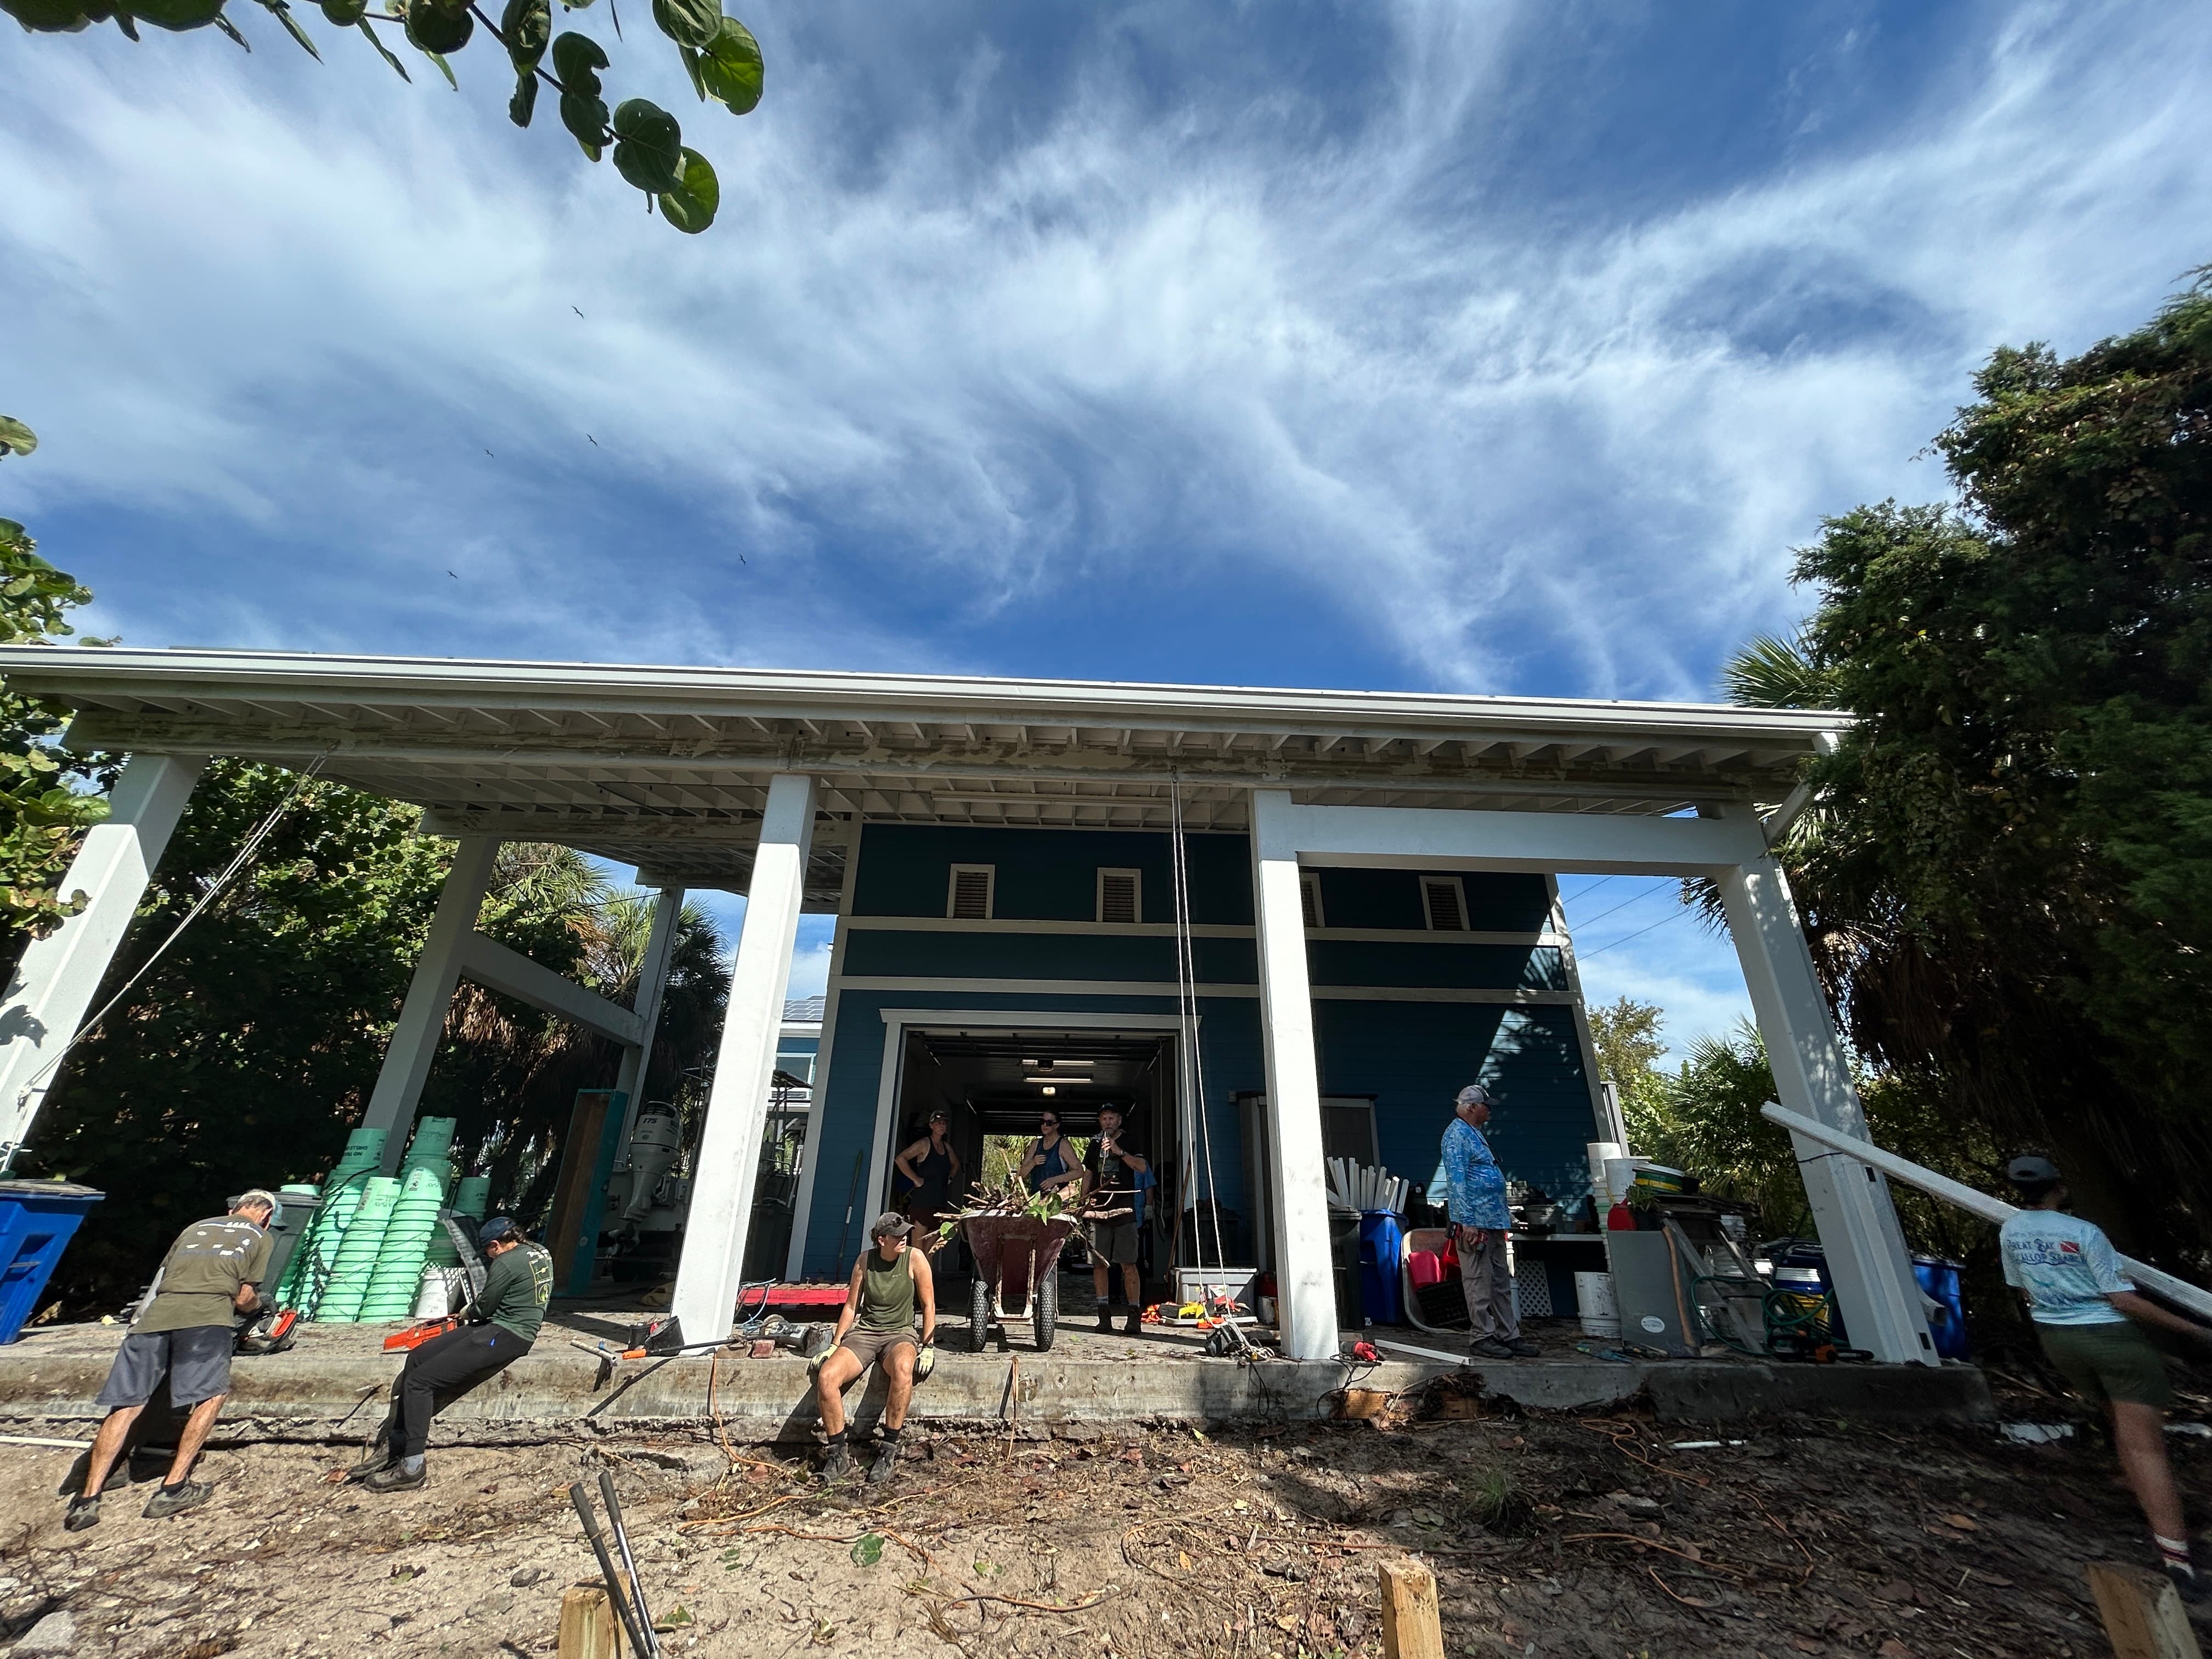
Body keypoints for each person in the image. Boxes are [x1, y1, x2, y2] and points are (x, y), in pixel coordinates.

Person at [2000, 1154, 2212, 1596]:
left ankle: (2146, 1505)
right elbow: (2124, 1300)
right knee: (2146, 1448)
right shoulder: (2084, 1233)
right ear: (2058, 1187)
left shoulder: (2012, 1230)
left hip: (2058, 1341)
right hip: (2112, 1341)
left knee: (2121, 1427)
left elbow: (2022, 1288)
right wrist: (2195, 1329)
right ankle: (2179, 1562)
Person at [65, 1189, 279, 1531]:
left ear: (231, 1209)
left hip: (153, 1321)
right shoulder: (260, 1237)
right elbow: (243, 1296)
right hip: (205, 1321)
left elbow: (160, 1281)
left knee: (126, 1403)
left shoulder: (194, 1228)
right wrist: (261, 1309)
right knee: (212, 1396)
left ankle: (88, 1498)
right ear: (267, 1217)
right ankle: (174, 1487)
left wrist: (139, 1321)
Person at [354, 1215, 552, 1493]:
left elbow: (484, 1307)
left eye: (487, 1251)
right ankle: (395, 1445)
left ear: (496, 1245)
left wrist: (464, 1312)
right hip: (499, 1328)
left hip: (506, 1336)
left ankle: (412, 1466)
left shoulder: (506, 1262)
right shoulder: (541, 1252)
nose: (488, 1257)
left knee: (419, 1383)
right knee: (417, 1357)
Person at [814, 1211, 936, 1486]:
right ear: (882, 1240)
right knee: (827, 1377)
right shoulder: (865, 1261)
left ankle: (888, 1449)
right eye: (897, 1235)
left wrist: (928, 1345)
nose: (904, 1238)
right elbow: (851, 1306)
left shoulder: (915, 1258)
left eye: (905, 1233)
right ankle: (838, 1454)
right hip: (866, 1334)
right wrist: (834, 1345)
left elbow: (928, 1305)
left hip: (900, 1335)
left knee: (904, 1371)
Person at [1442, 1084, 1538, 1361]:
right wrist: (1467, 1222)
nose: (1489, 1110)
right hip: (1474, 1224)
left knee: (1500, 1281)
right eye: (1486, 1105)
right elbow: (1457, 1182)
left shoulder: (1475, 1135)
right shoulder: (1457, 1135)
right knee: (1478, 1280)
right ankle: (1482, 1337)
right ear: (1472, 1107)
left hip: (1493, 1222)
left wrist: (1504, 1219)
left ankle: (1509, 1335)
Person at [1082, 1105, 1149, 1337]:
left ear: (1119, 1120)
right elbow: (1088, 1173)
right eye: (1103, 1119)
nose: (1107, 1123)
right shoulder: (1094, 1143)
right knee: (1099, 1263)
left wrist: (1119, 1152)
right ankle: (1104, 1316)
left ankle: (1133, 1316)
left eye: (1111, 1118)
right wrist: (1084, 1201)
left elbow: (1142, 1168)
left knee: (1128, 1264)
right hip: (1099, 1211)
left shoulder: (1130, 1142)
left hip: (1124, 1210)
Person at [894, 1108, 963, 1233]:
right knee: (918, 1246)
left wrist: (950, 1178)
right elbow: (900, 1159)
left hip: (940, 1203)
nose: (942, 1126)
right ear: (931, 1125)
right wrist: (916, 1179)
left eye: (944, 1123)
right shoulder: (924, 1144)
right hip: (922, 1202)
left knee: (931, 1249)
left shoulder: (947, 1148)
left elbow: (956, 1164)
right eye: (939, 1123)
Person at [1018, 1108, 1081, 1197]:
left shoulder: (1063, 1145)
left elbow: (1079, 1172)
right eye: (1042, 1122)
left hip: (1057, 1200)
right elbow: (1021, 1175)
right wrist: (1033, 1163)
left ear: (1057, 1125)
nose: (1044, 1125)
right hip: (1036, 1198)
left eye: (1049, 1123)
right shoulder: (1036, 1144)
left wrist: (1055, 1180)